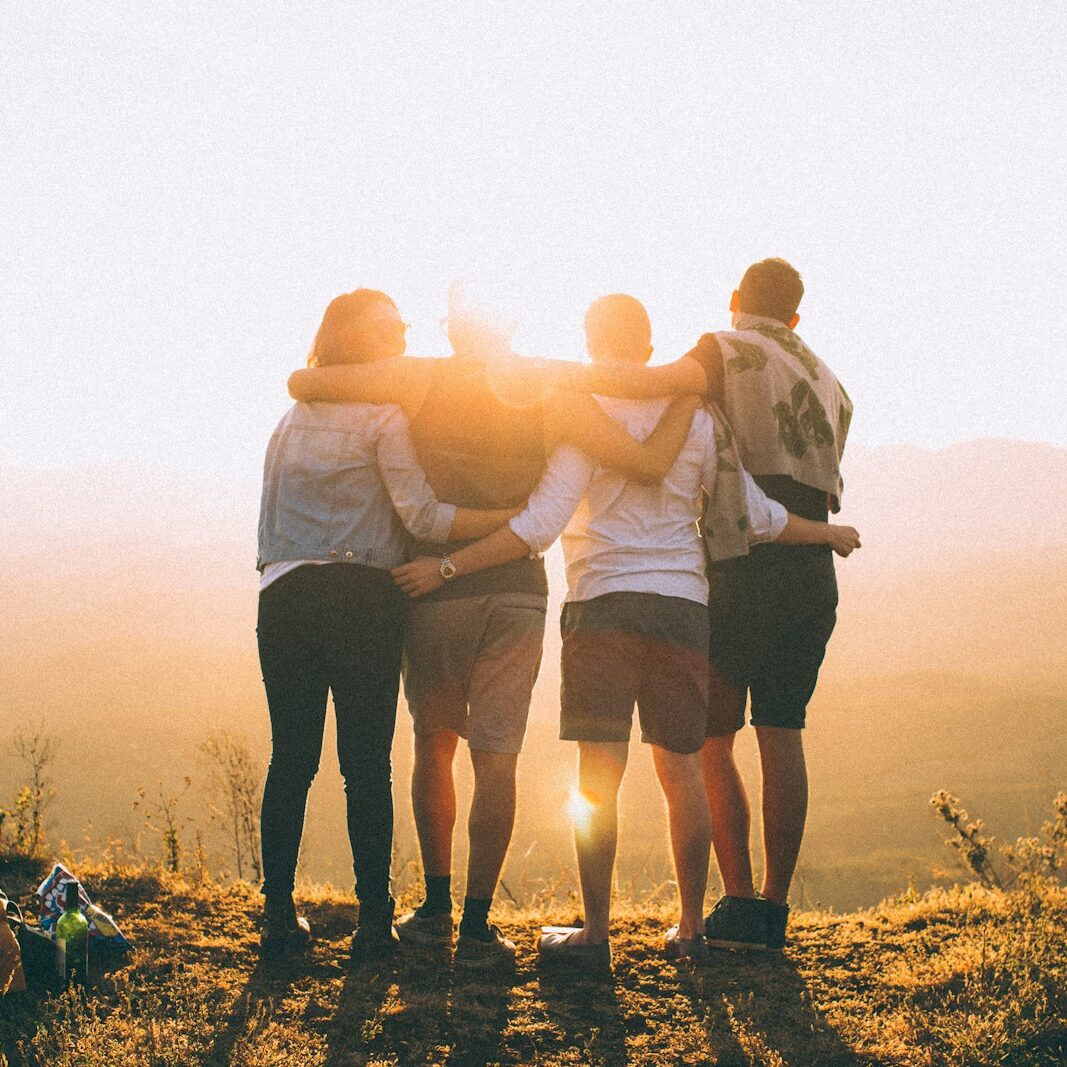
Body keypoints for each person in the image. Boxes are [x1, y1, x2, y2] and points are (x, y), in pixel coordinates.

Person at [392, 294, 860, 970]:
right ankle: (692, 928)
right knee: (681, 772)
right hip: (681, 608)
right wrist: (826, 533)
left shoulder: (582, 413)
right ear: (648, 347)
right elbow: (754, 514)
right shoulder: (698, 417)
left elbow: (540, 524)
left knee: (597, 778)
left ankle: (595, 933)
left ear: (589, 340)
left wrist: (448, 565)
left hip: (600, 605)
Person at [288, 284, 699, 969]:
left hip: (432, 588)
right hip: (516, 590)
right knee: (497, 755)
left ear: (453, 329)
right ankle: (478, 926)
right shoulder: (547, 381)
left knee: (434, 742)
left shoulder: (418, 376)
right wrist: (688, 385)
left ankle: (435, 907)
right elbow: (624, 433)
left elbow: (309, 380)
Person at [550, 260, 854, 951]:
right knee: (783, 732)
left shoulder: (722, 349)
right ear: (796, 317)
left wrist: (549, 377)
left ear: (736, 301)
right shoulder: (830, 380)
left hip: (739, 563)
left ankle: (736, 902)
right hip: (808, 566)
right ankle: (770, 911)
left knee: (706, 742)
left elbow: (651, 384)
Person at [256, 289, 524, 960]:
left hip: (284, 595)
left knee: (290, 760)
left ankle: (278, 916)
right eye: (390, 329)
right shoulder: (383, 418)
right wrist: (509, 521)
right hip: (363, 600)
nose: (402, 337)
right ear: (360, 341)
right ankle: (374, 923)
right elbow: (425, 519)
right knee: (365, 765)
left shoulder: (290, 420)